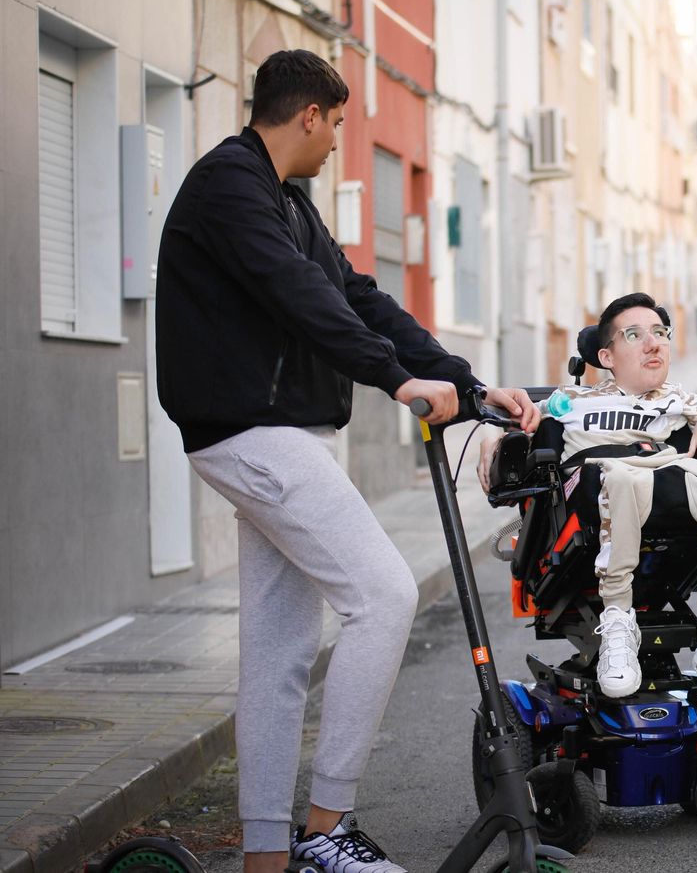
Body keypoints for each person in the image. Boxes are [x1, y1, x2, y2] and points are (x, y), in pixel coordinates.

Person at [155, 49, 538, 873]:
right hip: (253, 433)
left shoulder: (286, 200)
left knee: (279, 653)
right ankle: (327, 825)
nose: (337, 141)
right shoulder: (230, 187)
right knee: (384, 593)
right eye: (335, 123)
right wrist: (396, 380)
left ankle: (267, 856)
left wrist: (468, 386)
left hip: (279, 433)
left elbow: (355, 295)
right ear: (310, 115)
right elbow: (296, 295)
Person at [476, 292, 697, 724]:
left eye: (660, 333)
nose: (654, 344)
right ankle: (618, 622)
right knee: (622, 476)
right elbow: (514, 425)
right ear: (607, 355)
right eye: (636, 335)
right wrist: (493, 436)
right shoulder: (569, 401)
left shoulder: (680, 402)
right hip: (607, 487)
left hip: (666, 480)